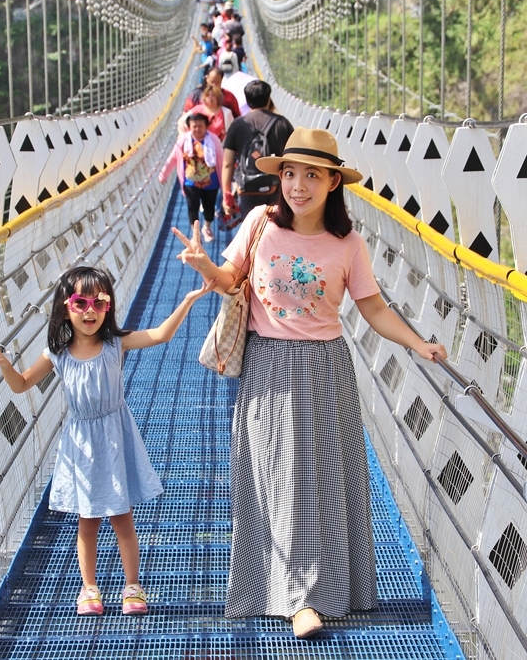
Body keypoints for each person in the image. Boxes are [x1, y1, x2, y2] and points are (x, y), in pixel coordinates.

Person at [172, 129, 448, 639]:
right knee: (275, 480)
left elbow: (373, 309)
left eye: (312, 176)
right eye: (290, 174)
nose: (298, 186)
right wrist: (205, 264)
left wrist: (417, 344)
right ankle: (285, 592)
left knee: (320, 481)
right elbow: (232, 280)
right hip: (268, 365)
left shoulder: (348, 244)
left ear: (332, 183)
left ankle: (310, 598)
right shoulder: (260, 224)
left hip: (325, 368)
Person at [0, 267, 215, 617]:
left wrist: (188, 300)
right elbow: (22, 384)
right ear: (66, 306)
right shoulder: (56, 353)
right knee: (87, 521)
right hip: (82, 444)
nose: (90, 311)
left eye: (99, 302)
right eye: (80, 302)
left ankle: (132, 585)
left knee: (122, 517)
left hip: (115, 436)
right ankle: (89, 588)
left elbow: (161, 335)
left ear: (108, 306)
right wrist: (3, 364)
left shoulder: (114, 343)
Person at [221, 80, 293, 227]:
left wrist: (227, 195)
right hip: (275, 188)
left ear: (247, 101)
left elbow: (228, 164)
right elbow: (293, 159)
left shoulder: (237, 125)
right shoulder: (282, 124)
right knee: (275, 230)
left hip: (247, 188)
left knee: (251, 231)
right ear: (268, 98)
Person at [159, 112, 224, 242]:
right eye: (194, 126)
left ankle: (207, 226)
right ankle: (195, 235)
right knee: (192, 207)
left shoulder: (214, 140)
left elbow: (222, 160)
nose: (197, 129)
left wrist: (226, 182)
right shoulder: (183, 141)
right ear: (189, 127)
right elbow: (173, 158)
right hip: (190, 182)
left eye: (200, 126)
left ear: (206, 126)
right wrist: (163, 174)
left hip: (211, 182)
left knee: (209, 208)